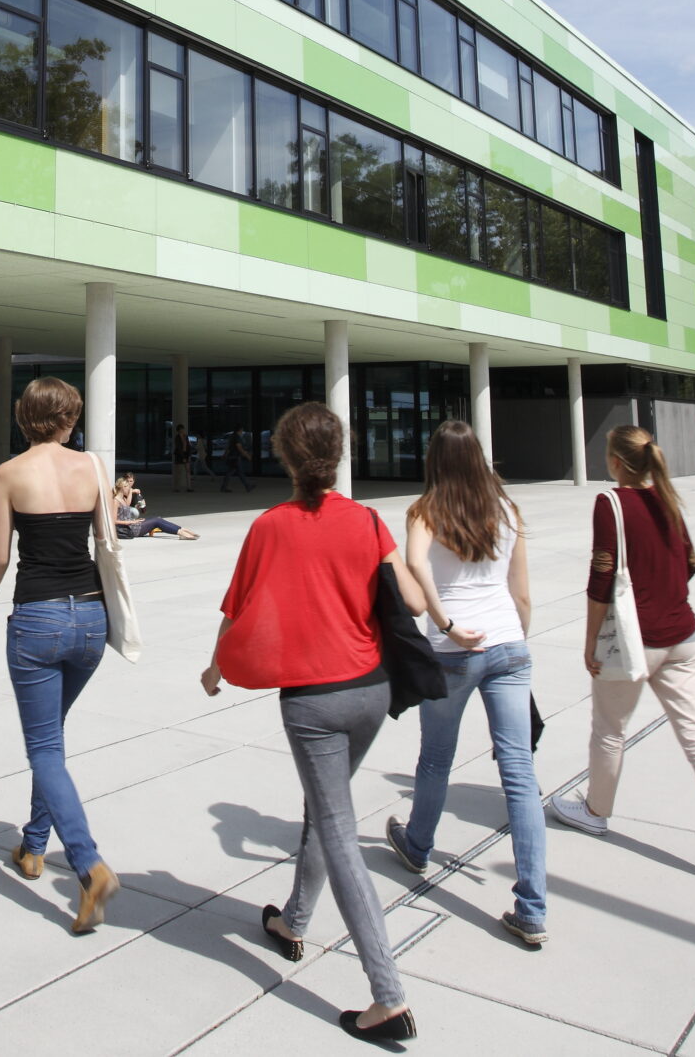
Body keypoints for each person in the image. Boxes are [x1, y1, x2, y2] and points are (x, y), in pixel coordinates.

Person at [201, 402, 421, 1043]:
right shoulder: (368, 521)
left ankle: (389, 996)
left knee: (336, 827)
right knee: (325, 809)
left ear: (285, 456)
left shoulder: (270, 527)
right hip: (372, 692)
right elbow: (406, 596)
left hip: (314, 703)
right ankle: (293, 921)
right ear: (339, 454)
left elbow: (236, 611)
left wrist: (215, 668)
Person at [551, 426, 695, 883]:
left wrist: (589, 640)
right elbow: (691, 563)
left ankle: (595, 810)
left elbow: (601, 576)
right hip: (683, 635)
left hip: (634, 640)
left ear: (618, 463)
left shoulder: (612, 503)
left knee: (609, 729)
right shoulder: (667, 498)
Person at [386, 420, 548, 948]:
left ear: (435, 459)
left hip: (455, 652)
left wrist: (448, 624)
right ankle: (532, 907)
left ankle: (418, 845)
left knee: (436, 759)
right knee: (520, 775)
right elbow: (521, 593)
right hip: (508, 646)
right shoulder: (506, 509)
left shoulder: (426, 509)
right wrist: (513, 643)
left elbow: (412, 562)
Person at [0, 377, 121, 934]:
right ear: (70, 418)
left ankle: (88, 864)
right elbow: (108, 537)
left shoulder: (9, 474)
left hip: (36, 620)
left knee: (44, 747)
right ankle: (33, 848)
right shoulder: (93, 469)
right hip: (90, 618)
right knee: (51, 740)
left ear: (23, 417)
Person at [112, 475, 197, 540]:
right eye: (127, 487)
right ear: (122, 487)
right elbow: (114, 520)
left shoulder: (123, 498)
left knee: (157, 518)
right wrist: (131, 522)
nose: (129, 488)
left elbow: (126, 510)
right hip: (130, 529)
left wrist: (136, 508)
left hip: (132, 525)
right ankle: (181, 533)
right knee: (156, 521)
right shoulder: (116, 501)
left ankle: (182, 529)